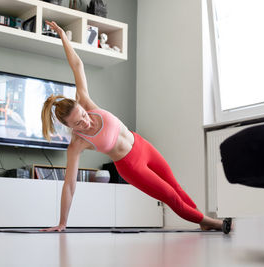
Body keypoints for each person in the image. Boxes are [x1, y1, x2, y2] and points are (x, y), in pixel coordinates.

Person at [40, 21, 232, 234]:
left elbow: (77, 64)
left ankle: (200, 219)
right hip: (131, 166)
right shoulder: (77, 144)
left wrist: (62, 35)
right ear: (68, 126)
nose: (85, 121)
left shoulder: (84, 100)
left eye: (83, 115)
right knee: (168, 195)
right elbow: (69, 185)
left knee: (176, 187)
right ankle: (213, 222)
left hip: (141, 144)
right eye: (78, 123)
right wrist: (62, 222)